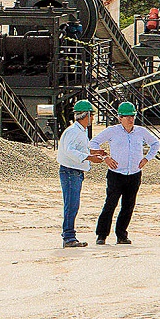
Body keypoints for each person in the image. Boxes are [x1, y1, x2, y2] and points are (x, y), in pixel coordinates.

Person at [89, 101, 160, 245]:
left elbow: (155, 143)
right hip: (116, 174)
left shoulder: (141, 131)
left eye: (132, 116)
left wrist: (147, 158)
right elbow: (93, 143)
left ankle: (121, 235)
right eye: (127, 116)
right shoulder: (112, 131)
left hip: (134, 174)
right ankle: (101, 235)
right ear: (120, 118)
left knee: (128, 206)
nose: (130, 119)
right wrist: (105, 157)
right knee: (110, 204)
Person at [57, 99, 104, 248]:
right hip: (70, 171)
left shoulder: (79, 131)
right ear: (86, 115)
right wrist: (90, 157)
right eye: (91, 115)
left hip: (74, 172)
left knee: (73, 204)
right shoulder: (73, 131)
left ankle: (69, 235)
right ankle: (69, 237)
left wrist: (94, 152)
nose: (92, 118)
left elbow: (78, 149)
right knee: (71, 204)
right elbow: (69, 150)